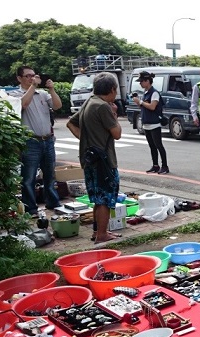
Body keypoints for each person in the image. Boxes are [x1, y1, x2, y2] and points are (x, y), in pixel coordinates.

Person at [66, 72, 122, 243]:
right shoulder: (103, 106)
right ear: (112, 89)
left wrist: (86, 141)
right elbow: (117, 133)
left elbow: (71, 123)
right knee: (105, 197)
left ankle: (97, 232)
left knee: (98, 197)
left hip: (90, 157)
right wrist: (114, 114)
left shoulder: (89, 101)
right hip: (103, 160)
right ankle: (102, 235)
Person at [9, 65, 63, 217]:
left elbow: (58, 105)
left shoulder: (43, 94)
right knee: (29, 177)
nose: (32, 78)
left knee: (49, 174)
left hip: (48, 140)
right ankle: (30, 208)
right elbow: (23, 105)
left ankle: (53, 201)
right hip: (30, 141)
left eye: (34, 75)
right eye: (28, 76)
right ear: (19, 78)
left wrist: (51, 89)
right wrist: (33, 87)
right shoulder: (15, 94)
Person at [132, 71, 168, 174]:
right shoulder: (146, 93)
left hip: (154, 123)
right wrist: (139, 102)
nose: (140, 84)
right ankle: (155, 165)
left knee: (159, 145)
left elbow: (152, 106)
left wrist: (141, 102)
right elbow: (144, 106)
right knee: (152, 146)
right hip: (147, 123)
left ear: (148, 81)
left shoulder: (154, 93)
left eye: (142, 81)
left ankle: (165, 166)